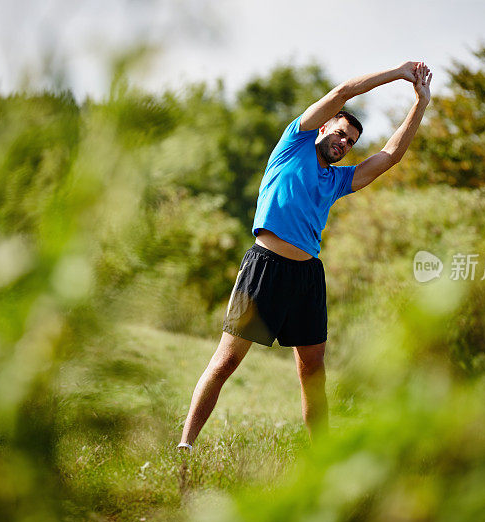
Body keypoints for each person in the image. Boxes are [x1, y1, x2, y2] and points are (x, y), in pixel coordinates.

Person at [176, 62, 432, 452]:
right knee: (226, 363)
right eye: (341, 134)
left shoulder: (338, 180)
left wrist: (420, 103)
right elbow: (343, 91)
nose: (344, 144)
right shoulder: (293, 144)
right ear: (326, 126)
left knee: (313, 373)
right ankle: (186, 446)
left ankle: (320, 463)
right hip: (265, 268)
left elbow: (391, 155)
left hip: (307, 278)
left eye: (351, 142)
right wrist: (398, 73)